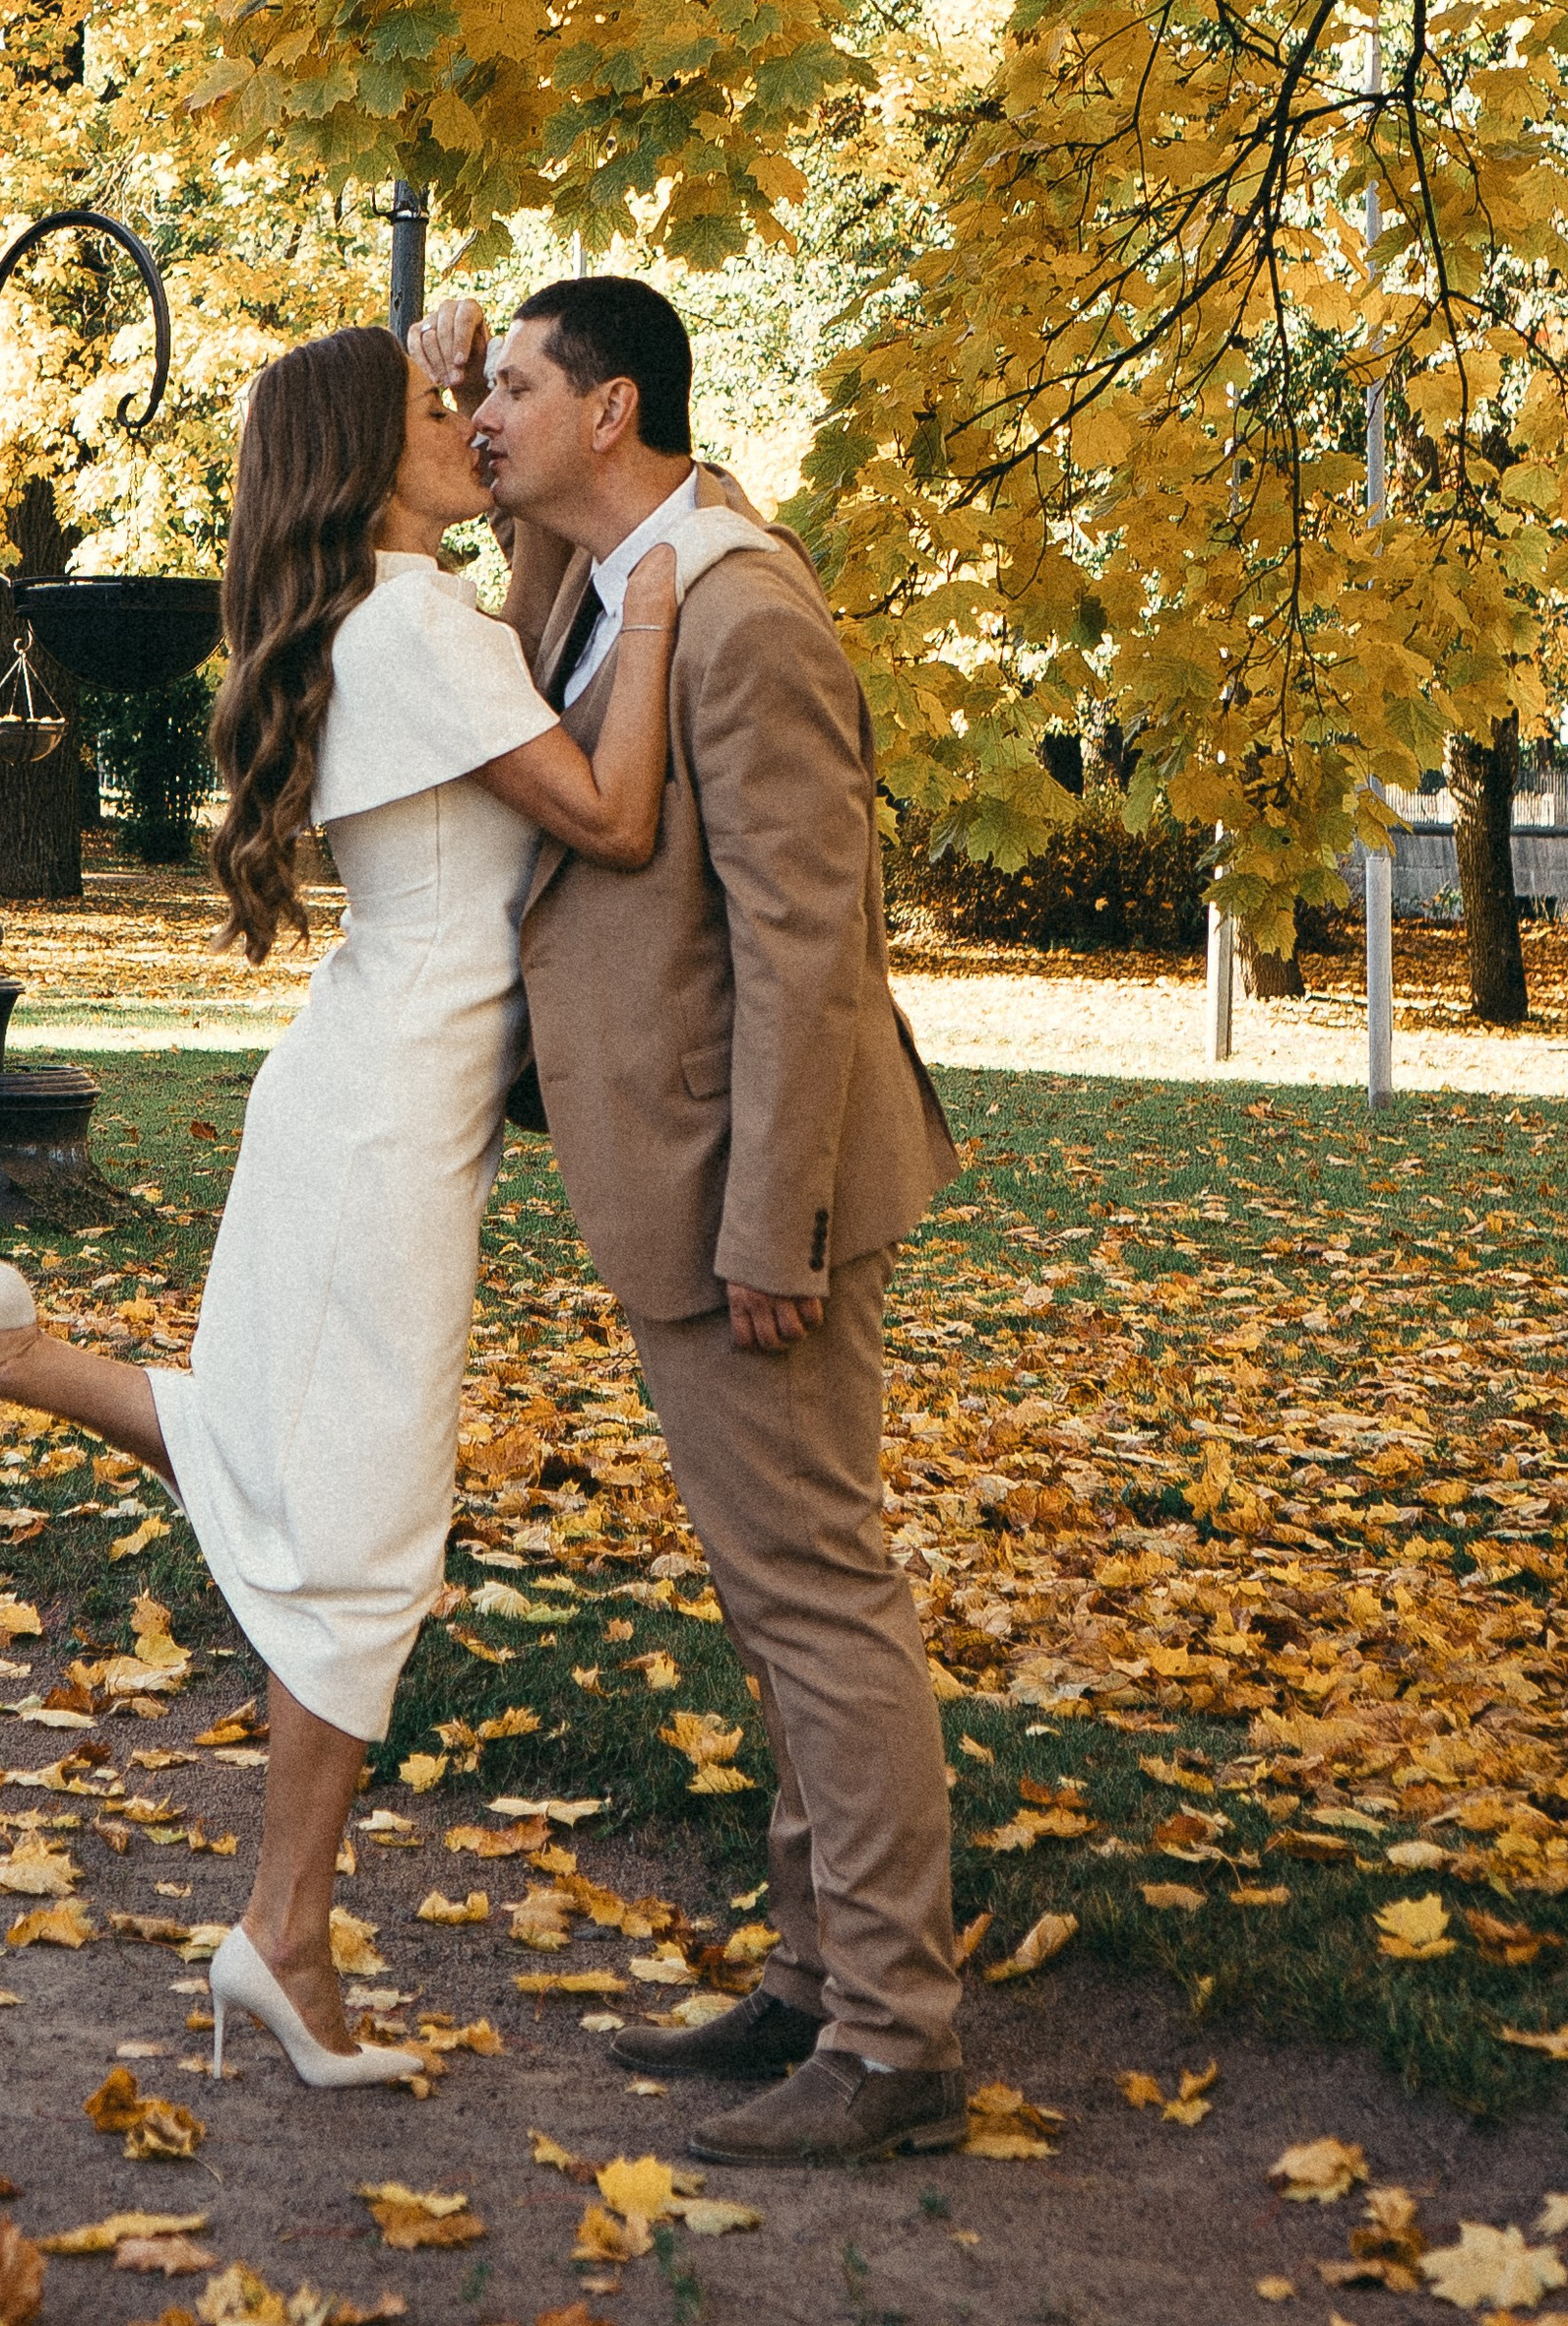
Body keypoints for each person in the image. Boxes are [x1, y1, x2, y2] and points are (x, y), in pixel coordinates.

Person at [0, 324, 755, 2089]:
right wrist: (681, 567)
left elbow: (521, 622)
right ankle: (285, 1938)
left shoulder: (388, 617)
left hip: (361, 1098)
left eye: (477, 398)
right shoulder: (416, 627)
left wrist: (453, 389)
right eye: (435, 409)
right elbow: (618, 822)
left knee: (273, 1454)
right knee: (365, 1539)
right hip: (382, 1125)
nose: (473, 422)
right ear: (362, 459)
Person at [412, 274, 969, 2166]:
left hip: (762, 1192)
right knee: (773, 1594)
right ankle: (816, 1979)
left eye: (518, 390)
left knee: (818, 1597)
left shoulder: (736, 608)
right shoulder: (600, 571)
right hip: (683, 1170)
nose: (485, 417)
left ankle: (891, 2035)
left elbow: (813, 945)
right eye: (475, 393)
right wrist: (434, 381)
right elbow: (428, 509)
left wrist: (772, 1229)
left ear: (616, 410)